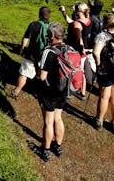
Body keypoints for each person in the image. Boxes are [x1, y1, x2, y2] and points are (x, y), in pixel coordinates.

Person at [36, 22, 71, 162]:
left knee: (48, 121)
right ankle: (58, 146)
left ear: (52, 35)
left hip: (50, 91)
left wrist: (38, 70)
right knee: (58, 118)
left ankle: (45, 150)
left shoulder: (48, 51)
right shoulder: (69, 48)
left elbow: (42, 77)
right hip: (64, 89)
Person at [10, 7, 52, 99]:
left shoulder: (34, 24)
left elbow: (25, 38)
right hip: (44, 55)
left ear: (39, 14)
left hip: (31, 54)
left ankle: (16, 91)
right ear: (49, 15)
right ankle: (42, 93)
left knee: (24, 74)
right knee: (42, 75)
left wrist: (21, 49)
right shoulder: (52, 27)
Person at [60, 2, 91, 100]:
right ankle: (82, 92)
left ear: (78, 10)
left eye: (75, 9)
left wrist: (80, 49)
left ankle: (70, 90)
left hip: (76, 50)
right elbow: (71, 22)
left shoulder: (77, 24)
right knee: (81, 71)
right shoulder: (88, 20)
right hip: (84, 49)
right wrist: (64, 13)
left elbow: (78, 39)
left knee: (72, 69)